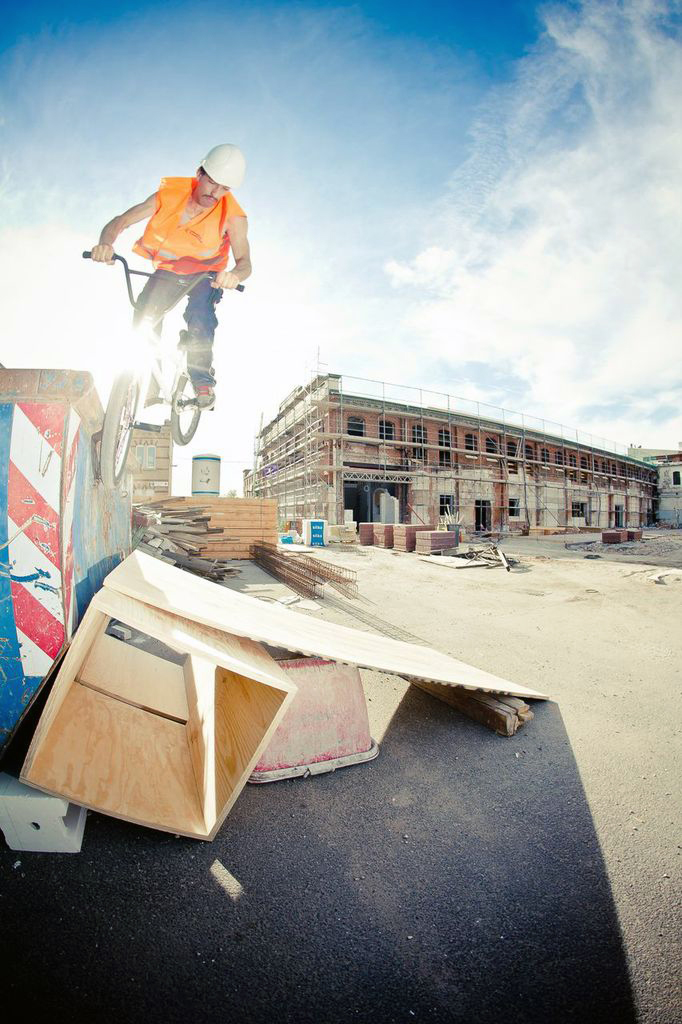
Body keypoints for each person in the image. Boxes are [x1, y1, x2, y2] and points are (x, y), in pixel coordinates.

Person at [90, 144, 251, 409]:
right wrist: (105, 244)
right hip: (169, 269)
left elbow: (245, 263)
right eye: (212, 182)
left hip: (205, 274)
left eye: (224, 188)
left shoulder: (233, 216)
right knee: (145, 311)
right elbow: (121, 221)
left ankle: (201, 380)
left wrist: (234, 275)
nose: (216, 193)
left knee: (200, 315)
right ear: (199, 173)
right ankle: (150, 375)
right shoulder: (169, 194)